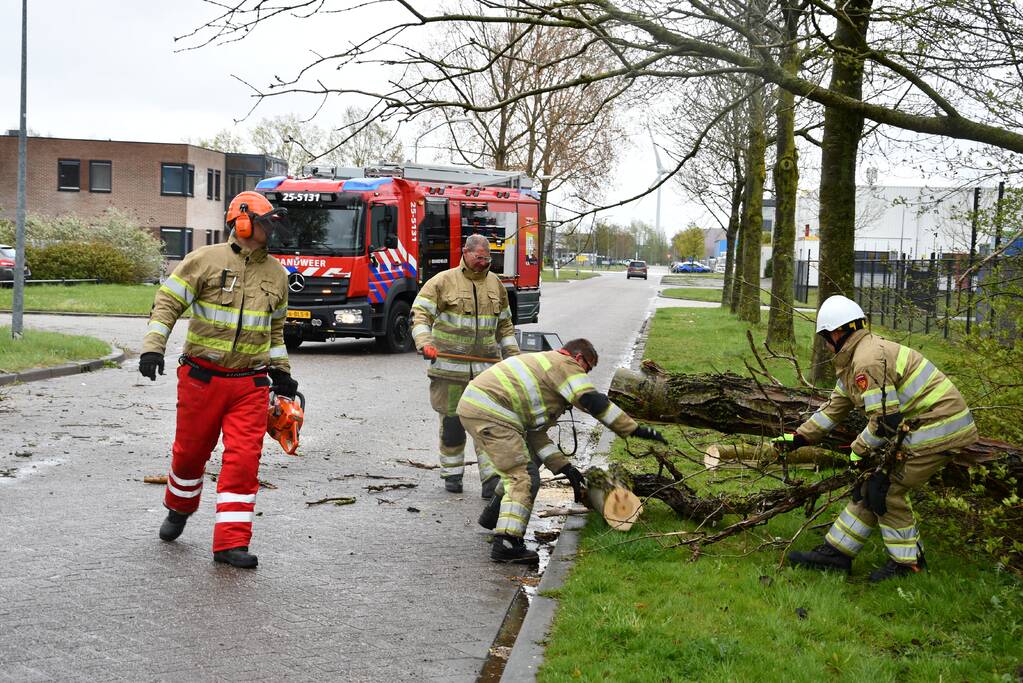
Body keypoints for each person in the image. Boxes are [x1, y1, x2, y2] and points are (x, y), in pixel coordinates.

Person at [139, 190, 297, 569]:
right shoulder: (204, 260)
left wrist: (282, 373)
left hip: (250, 384)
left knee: (244, 461)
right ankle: (179, 507)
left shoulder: (277, 275)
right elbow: (167, 303)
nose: (271, 230)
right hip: (201, 379)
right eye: (265, 223)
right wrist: (153, 348)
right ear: (242, 222)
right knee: (189, 455)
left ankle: (231, 543)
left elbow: (275, 332)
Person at [782, 295, 977, 582]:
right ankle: (836, 554)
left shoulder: (867, 361)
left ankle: (908, 564)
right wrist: (799, 437)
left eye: (825, 337)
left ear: (837, 333)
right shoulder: (855, 358)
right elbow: (834, 409)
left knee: (886, 489)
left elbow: (886, 422)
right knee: (869, 484)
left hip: (939, 429)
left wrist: (857, 451)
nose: (825, 345)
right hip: (922, 427)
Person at [457, 338, 668, 563]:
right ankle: (507, 543)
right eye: (587, 368)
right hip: (491, 413)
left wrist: (566, 469)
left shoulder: (546, 368)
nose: (584, 374)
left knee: (525, 462)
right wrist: (633, 429)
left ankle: (493, 515)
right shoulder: (565, 364)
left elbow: (536, 436)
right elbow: (591, 399)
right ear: (579, 358)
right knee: (523, 477)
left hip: (480, 408)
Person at [411, 234, 520, 496]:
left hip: (485, 375)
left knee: (487, 425)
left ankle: (491, 479)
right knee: (452, 426)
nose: (484, 262)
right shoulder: (442, 281)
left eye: (488, 258)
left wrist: (513, 356)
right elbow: (420, 315)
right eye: (479, 257)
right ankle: (452, 474)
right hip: (450, 373)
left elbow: (505, 325)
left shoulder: (496, 285)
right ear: (466, 252)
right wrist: (424, 342)